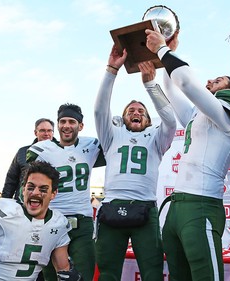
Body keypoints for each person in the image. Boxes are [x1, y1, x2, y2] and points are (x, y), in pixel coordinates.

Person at [145, 29, 230, 281]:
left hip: (201, 205)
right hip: (176, 207)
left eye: (217, 80)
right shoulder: (200, 117)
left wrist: (163, 51)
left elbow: (185, 82)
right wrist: (167, 56)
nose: (209, 82)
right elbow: (173, 90)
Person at [93, 44, 176, 281]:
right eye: (130, 110)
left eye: (140, 110)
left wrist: (150, 84)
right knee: (108, 273)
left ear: (148, 119)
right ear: (123, 116)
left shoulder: (156, 138)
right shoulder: (112, 136)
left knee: (152, 273)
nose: (135, 112)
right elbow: (100, 110)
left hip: (145, 208)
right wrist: (111, 70)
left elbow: (170, 120)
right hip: (111, 206)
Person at [26, 103, 106, 281]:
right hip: (53, 219)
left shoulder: (91, 144)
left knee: (84, 275)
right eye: (62, 121)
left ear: (80, 125)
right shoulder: (43, 150)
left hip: (82, 220)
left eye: (71, 121)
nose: (66, 125)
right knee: (51, 277)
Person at [0, 160, 82, 281]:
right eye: (30, 187)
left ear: (53, 194)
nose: (35, 193)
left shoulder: (58, 223)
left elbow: (63, 271)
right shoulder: (2, 211)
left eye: (43, 189)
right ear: (23, 189)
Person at [2, 118, 56, 202]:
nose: (46, 134)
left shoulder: (61, 152)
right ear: (35, 132)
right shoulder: (22, 152)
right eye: (42, 130)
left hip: (52, 204)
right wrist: (4, 202)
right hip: (23, 203)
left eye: (49, 131)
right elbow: (11, 180)